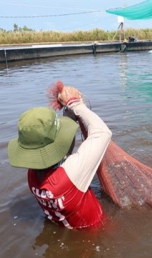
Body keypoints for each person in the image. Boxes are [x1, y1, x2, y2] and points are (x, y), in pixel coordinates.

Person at [7, 86, 112, 229]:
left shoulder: (32, 175)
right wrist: (75, 104)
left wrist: (68, 114)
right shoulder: (70, 174)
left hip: (64, 226)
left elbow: (59, 155)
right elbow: (102, 133)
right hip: (95, 229)